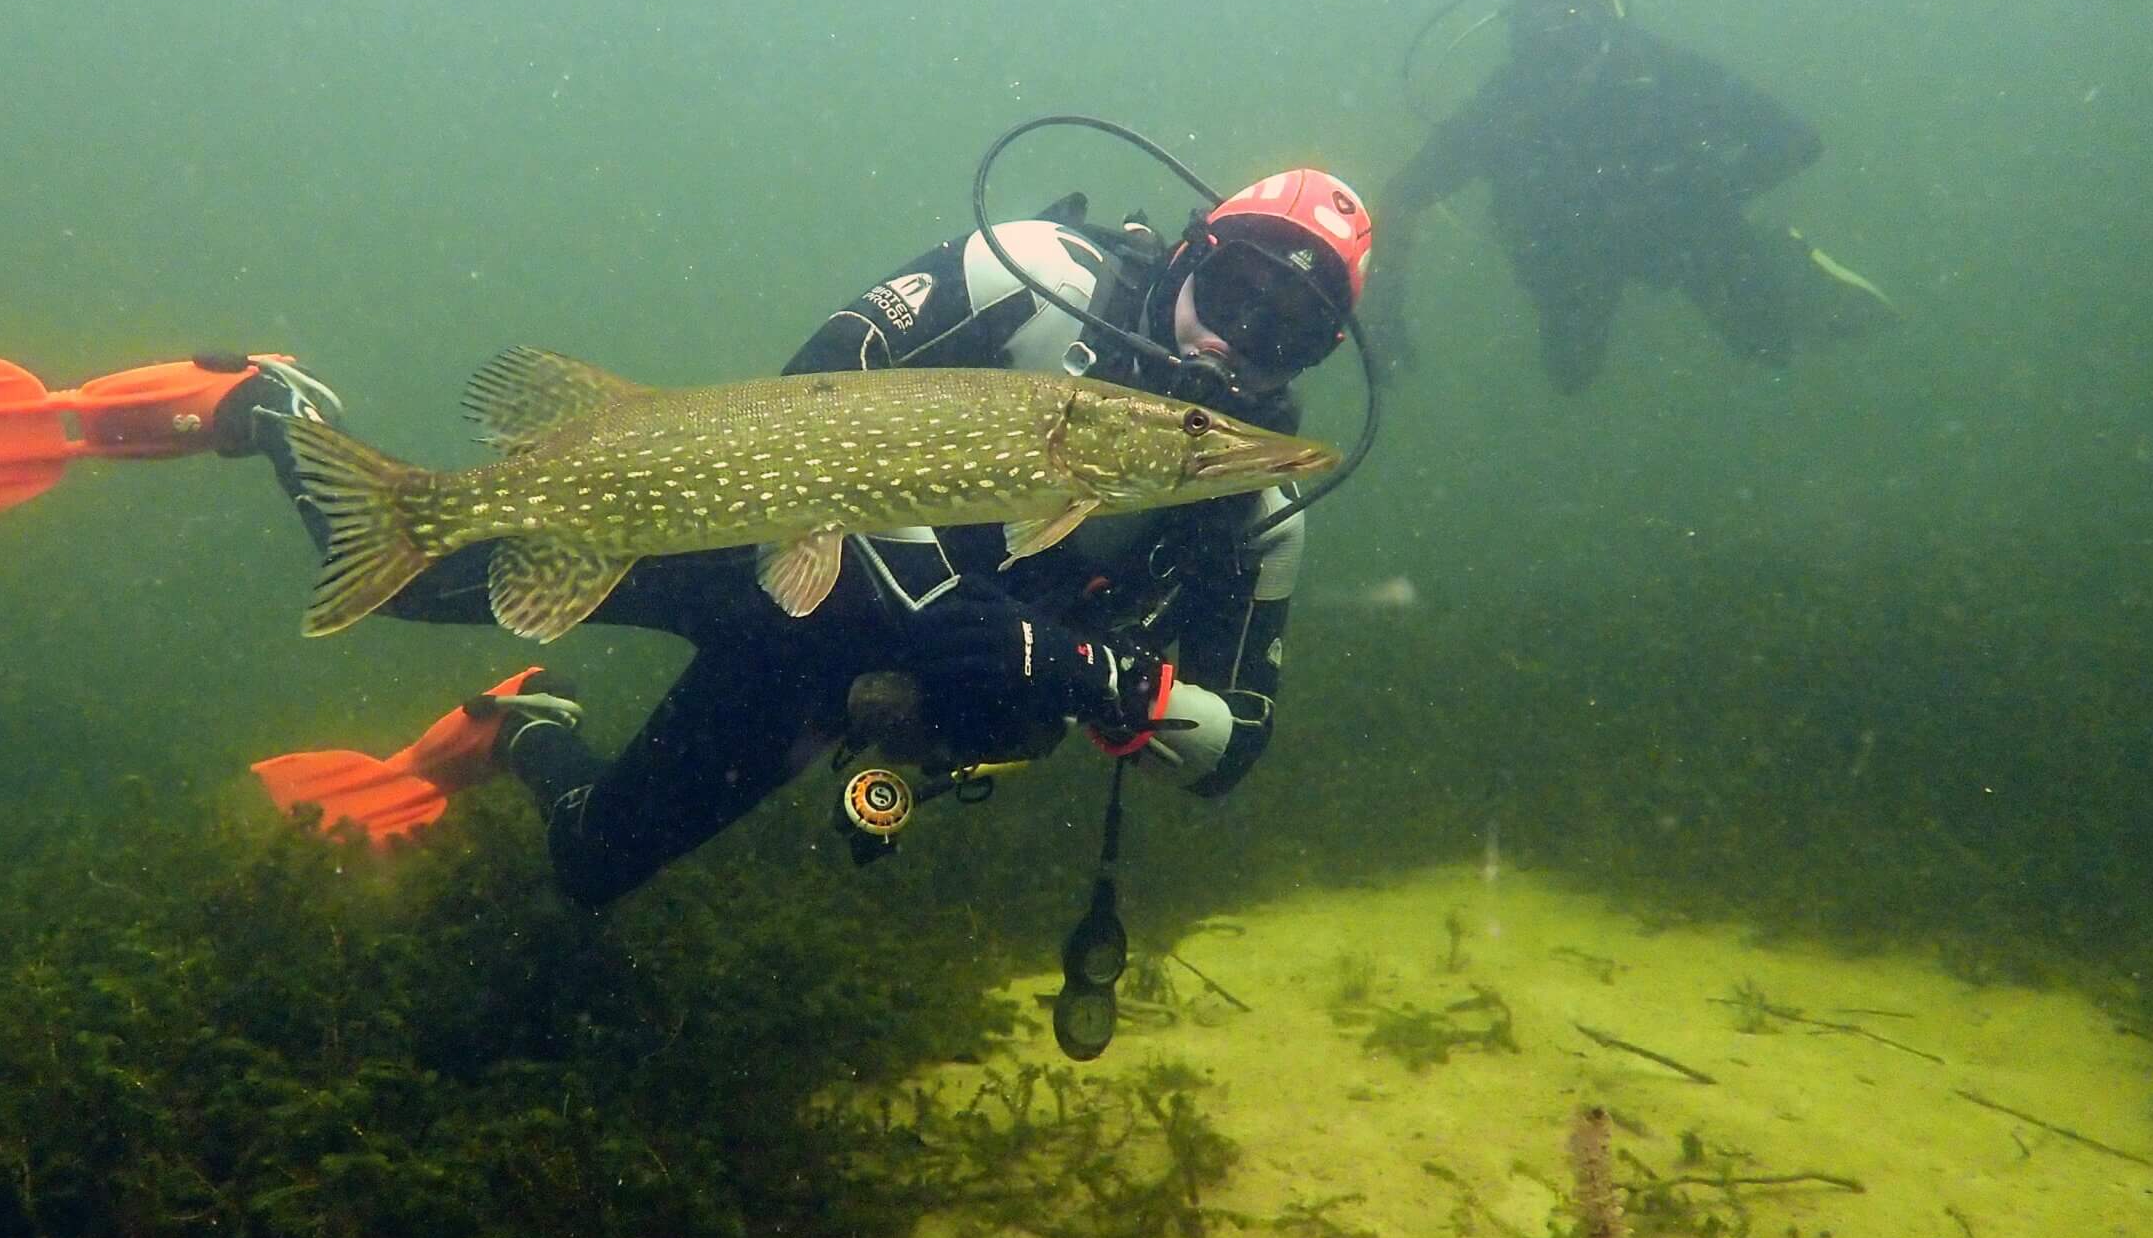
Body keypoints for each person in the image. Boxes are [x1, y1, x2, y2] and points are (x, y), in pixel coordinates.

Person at [201, 164, 1375, 920]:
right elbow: (822, 373)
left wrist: (1084, 673)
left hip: (830, 664)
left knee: (590, 868)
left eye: (1287, 335)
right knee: (405, 573)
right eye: (1236, 296)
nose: (1236, 348)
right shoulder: (1029, 273)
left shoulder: (1252, 507)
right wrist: (942, 600)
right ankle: (278, 409)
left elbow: (1235, 748)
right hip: (728, 530)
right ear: (1190, 254)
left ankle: (525, 726)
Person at [1373, 0, 1886, 393]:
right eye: (1547, 30)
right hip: (1572, 255)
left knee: (1768, 346)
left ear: (1608, 23)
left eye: (1575, 24)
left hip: (1679, 235)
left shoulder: (1660, 71)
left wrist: (1701, 196)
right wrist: (1382, 308)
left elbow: (1797, 141)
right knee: (1571, 378)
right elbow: (1404, 194)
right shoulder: (1505, 104)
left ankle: (1779, 256)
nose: (1562, 47)